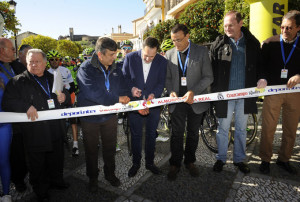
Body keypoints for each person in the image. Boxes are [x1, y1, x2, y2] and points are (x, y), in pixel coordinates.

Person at [2, 49, 70, 202]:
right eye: (30, 62)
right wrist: (25, 106)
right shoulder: (17, 81)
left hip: (55, 128)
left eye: (37, 61)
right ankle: (41, 190)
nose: (33, 65)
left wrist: (64, 97)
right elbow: (7, 102)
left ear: (45, 63)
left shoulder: (53, 78)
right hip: (35, 131)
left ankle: (57, 181)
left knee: (56, 158)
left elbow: (65, 96)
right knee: (37, 163)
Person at [210, 11, 266, 174]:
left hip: (245, 95)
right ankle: (221, 158)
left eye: (231, 25)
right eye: (225, 25)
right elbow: (211, 67)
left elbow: (261, 64)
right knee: (223, 128)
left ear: (241, 23)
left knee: (242, 129)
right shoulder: (219, 43)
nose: (227, 28)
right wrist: (214, 90)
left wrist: (262, 78)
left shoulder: (252, 43)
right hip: (225, 95)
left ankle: (239, 159)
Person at [77, 37, 130, 191]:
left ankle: (110, 173)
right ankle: (93, 177)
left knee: (110, 148)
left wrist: (130, 93)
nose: (115, 57)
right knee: (91, 150)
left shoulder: (115, 67)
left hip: (110, 116)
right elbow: (93, 93)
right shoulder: (85, 68)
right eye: (112, 54)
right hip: (90, 118)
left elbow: (123, 86)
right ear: (100, 55)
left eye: (116, 54)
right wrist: (117, 98)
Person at [165, 24, 213, 181]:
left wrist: (194, 92)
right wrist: (171, 90)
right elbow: (168, 78)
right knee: (176, 133)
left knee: (193, 133)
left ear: (187, 36)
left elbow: (208, 77)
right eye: (173, 40)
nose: (176, 44)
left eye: (179, 40)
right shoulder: (169, 54)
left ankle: (190, 161)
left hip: (196, 101)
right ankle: (175, 163)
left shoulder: (201, 51)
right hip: (177, 101)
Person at [259, 10, 300, 175]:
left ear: (298, 27)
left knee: (291, 128)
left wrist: (299, 76)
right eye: (282, 27)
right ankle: (265, 159)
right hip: (273, 91)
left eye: (289, 28)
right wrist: (262, 78)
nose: (284, 30)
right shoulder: (270, 43)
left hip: (295, 93)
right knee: (268, 127)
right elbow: (261, 65)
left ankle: (284, 159)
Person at [123, 37, 167, 177]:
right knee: (135, 134)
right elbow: (124, 78)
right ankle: (136, 163)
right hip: (135, 104)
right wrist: (131, 89)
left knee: (151, 134)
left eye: (151, 57)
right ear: (141, 48)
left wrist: (154, 94)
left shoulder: (162, 61)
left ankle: (150, 163)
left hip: (152, 104)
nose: (148, 59)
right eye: (145, 56)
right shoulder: (130, 58)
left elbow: (161, 82)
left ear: (157, 53)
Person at [9, 44, 33, 193]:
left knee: (29, 148)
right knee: (16, 151)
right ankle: (18, 180)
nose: (32, 58)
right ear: (21, 55)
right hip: (14, 119)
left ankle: (30, 173)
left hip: (30, 118)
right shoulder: (13, 67)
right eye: (28, 54)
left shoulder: (29, 69)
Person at [47, 50, 78, 156]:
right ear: (49, 61)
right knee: (55, 123)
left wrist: (66, 95)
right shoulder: (46, 72)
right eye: (52, 59)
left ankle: (75, 145)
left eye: (57, 59)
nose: (55, 61)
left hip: (67, 98)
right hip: (54, 101)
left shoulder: (65, 70)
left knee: (73, 121)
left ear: (59, 60)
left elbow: (72, 86)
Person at [0, 37, 14, 202]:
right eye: (11, 49)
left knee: (3, 159)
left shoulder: (10, 69)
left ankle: (6, 193)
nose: (14, 52)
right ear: (2, 50)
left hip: (5, 124)